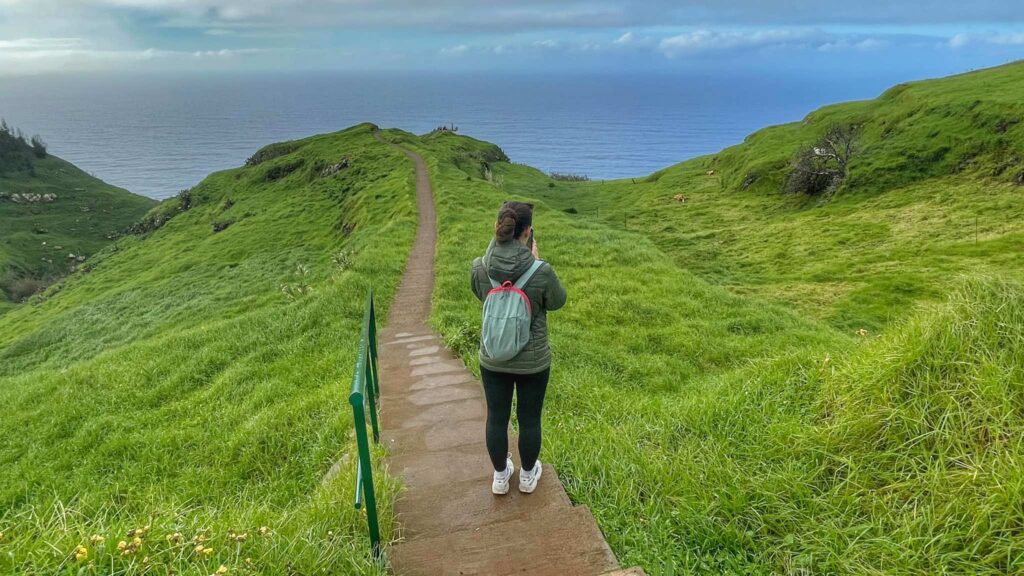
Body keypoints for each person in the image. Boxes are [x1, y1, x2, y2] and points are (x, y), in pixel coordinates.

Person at [471, 201, 567, 495]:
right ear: (529, 232)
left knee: (496, 418)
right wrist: (535, 262)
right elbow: (557, 301)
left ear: (497, 229)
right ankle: (527, 476)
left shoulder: (480, 267)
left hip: (493, 358)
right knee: (529, 419)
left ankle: (500, 477)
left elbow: (482, 296)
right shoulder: (541, 271)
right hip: (533, 362)